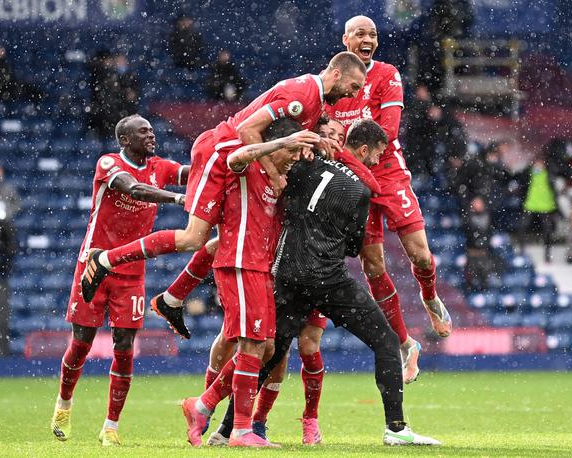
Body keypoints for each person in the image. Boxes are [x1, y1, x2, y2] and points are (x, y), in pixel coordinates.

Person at [207, 119, 441, 447]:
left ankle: (226, 428)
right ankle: (396, 428)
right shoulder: (361, 189)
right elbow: (351, 246)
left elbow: (281, 202)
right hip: (327, 278)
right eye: (376, 154)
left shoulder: (305, 165)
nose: (377, 161)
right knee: (386, 342)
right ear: (362, 150)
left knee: (269, 353)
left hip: (288, 275)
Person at [79, 51, 367, 306]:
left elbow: (282, 136)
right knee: (194, 237)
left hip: (243, 164)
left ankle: (172, 299)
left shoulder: (315, 102)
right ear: (336, 73)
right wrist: (274, 174)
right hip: (219, 154)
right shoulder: (301, 94)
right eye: (353, 87)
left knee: (231, 240)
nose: (352, 95)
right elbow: (246, 131)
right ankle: (106, 259)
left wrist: (316, 144)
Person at [49, 115, 189, 446]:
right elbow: (133, 188)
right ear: (125, 140)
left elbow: (190, 173)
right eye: (143, 132)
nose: (151, 135)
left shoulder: (160, 167)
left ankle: (111, 426)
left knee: (124, 348)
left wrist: (216, 163)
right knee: (81, 343)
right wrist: (178, 199)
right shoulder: (109, 162)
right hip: (93, 265)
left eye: (152, 130)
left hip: (131, 273)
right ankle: (64, 404)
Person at [180, 119, 320, 448]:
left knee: (269, 348)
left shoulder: (280, 180)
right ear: (275, 143)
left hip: (260, 267)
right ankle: (241, 430)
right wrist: (277, 145)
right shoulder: (248, 164)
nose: (294, 157)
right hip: (240, 262)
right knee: (252, 345)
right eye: (291, 150)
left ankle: (201, 406)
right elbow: (235, 158)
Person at [328, 15, 452, 384]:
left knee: (420, 255)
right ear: (345, 39)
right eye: (360, 33)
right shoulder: (332, 80)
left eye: (373, 34)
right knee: (373, 267)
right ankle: (405, 343)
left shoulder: (386, 74)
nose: (368, 39)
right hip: (354, 182)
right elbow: (325, 134)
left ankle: (430, 297)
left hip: (387, 174)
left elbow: (388, 133)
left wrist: (343, 142)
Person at [515, 156, 558, 263]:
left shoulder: (549, 174)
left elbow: (554, 187)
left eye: (540, 163)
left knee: (547, 231)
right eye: (536, 163)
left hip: (546, 205)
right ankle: (521, 251)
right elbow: (521, 181)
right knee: (522, 227)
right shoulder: (528, 174)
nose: (538, 165)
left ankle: (547, 255)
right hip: (530, 204)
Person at [88, 53, 139, 138]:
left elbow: (132, 96)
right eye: (117, 61)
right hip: (109, 117)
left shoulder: (131, 77)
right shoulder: (107, 76)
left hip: (123, 114)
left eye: (121, 60)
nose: (119, 63)